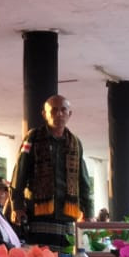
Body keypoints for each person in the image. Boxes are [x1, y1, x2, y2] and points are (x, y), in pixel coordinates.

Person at [10, 95, 94, 247]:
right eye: (54, 110)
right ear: (44, 114)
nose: (59, 114)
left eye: (63, 110)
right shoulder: (32, 137)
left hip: (67, 215)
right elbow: (20, 172)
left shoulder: (75, 142)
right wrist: (17, 206)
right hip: (38, 213)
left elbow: (83, 179)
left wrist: (88, 213)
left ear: (69, 114)